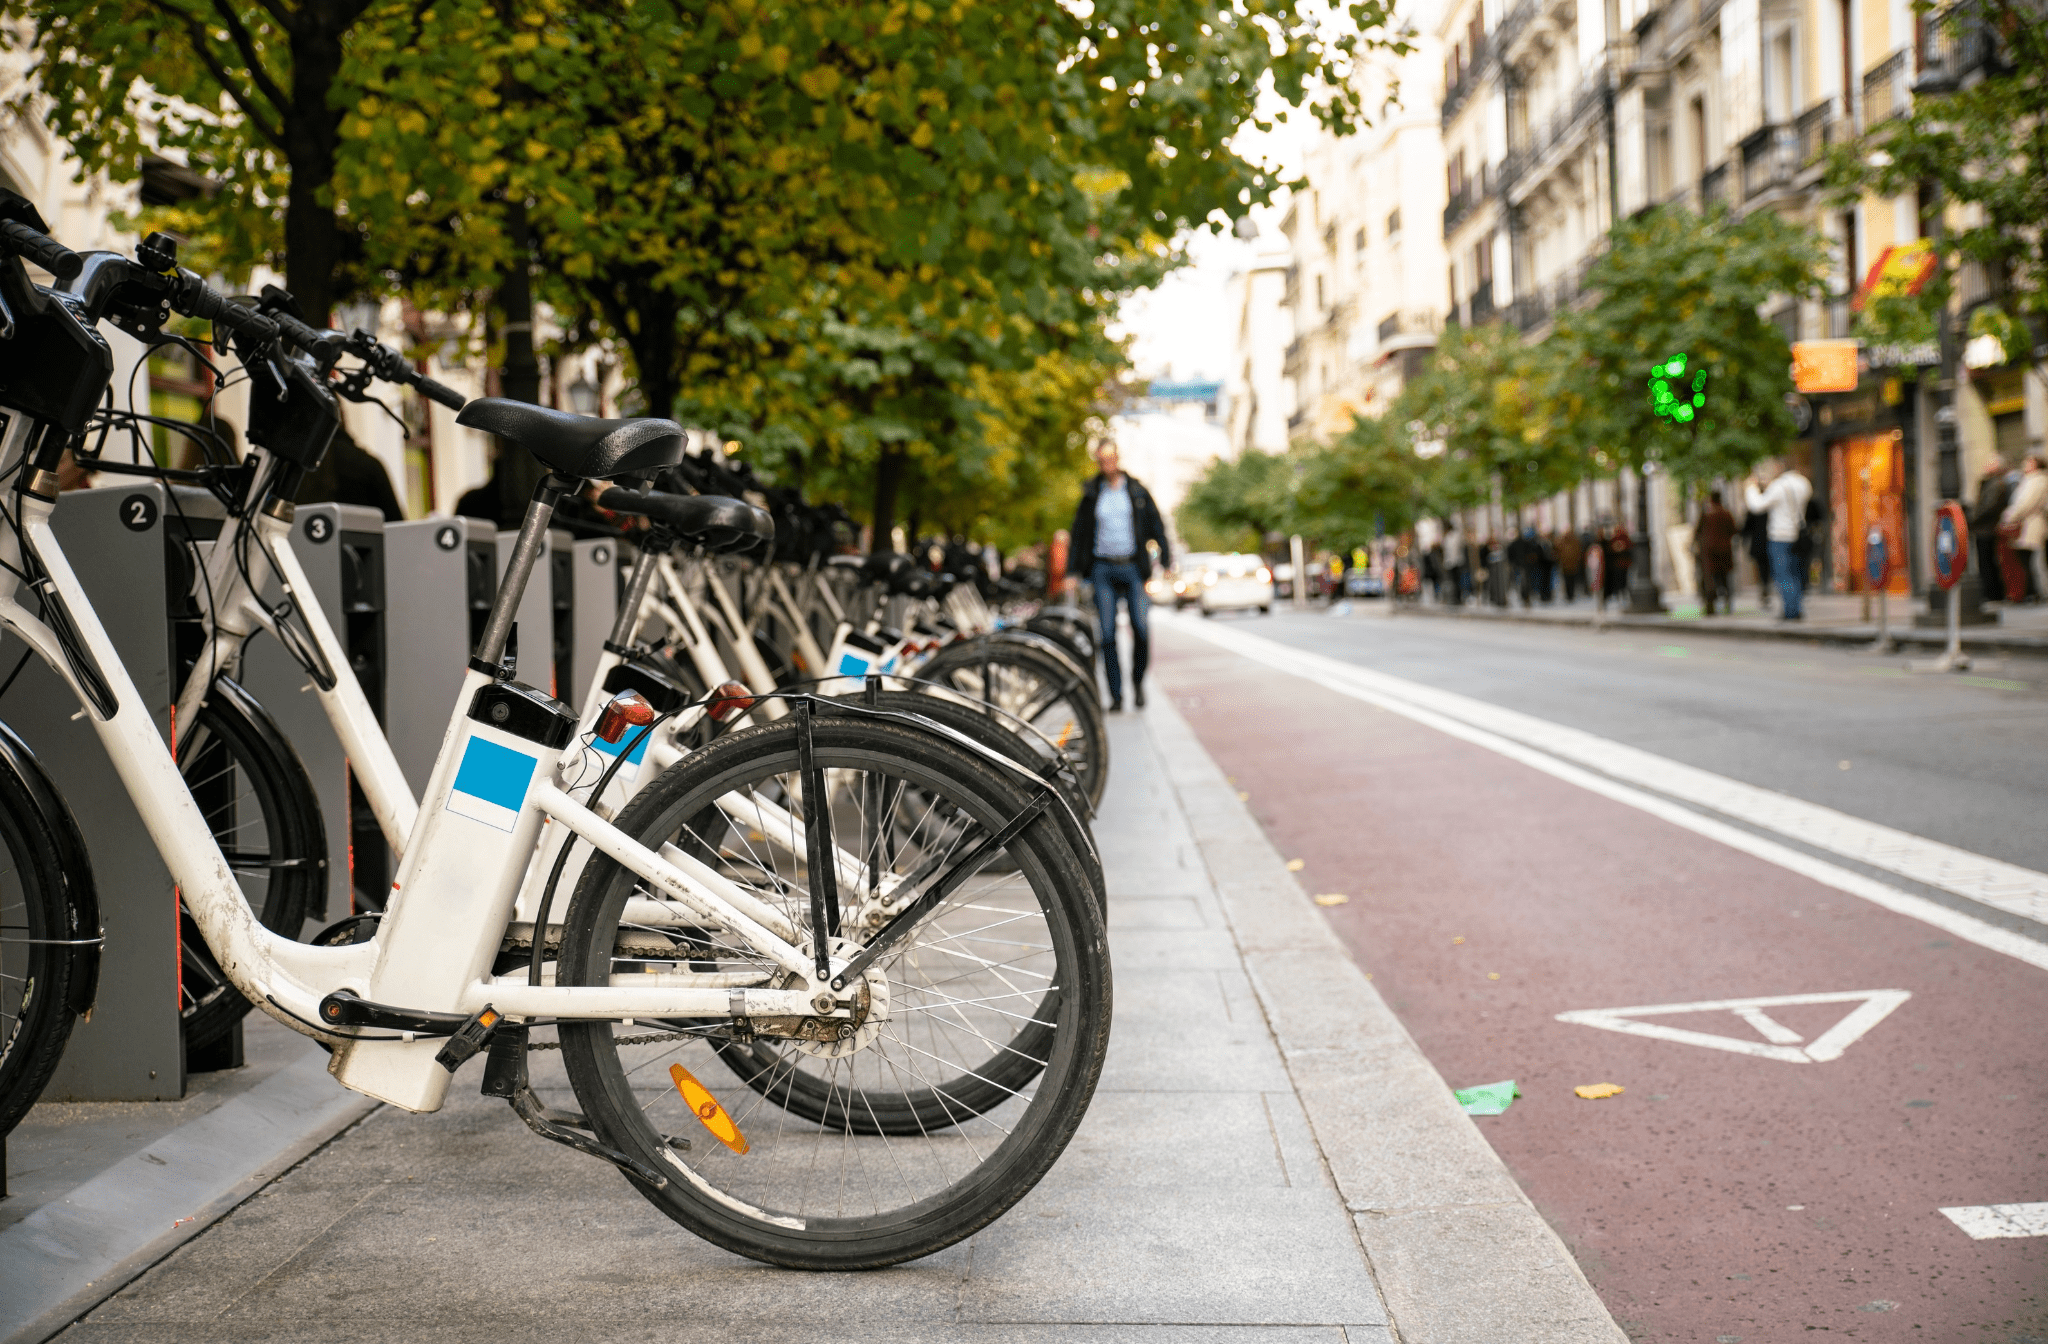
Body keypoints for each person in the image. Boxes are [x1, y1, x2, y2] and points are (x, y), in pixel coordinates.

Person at [1065, 443, 1170, 711]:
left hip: (1133, 567)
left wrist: (1166, 560)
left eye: (1110, 459)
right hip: (1102, 569)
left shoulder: (1136, 490)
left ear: (1118, 459)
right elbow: (1078, 534)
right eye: (1101, 460)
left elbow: (1156, 525)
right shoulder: (1091, 493)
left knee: (1141, 629)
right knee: (1108, 635)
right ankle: (1116, 695)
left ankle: (1137, 682)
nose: (1106, 464)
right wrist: (1072, 571)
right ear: (1098, 462)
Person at [1745, 458, 1814, 621]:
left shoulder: (1779, 486)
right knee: (1796, 573)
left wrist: (1751, 488)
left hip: (1780, 536)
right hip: (1798, 535)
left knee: (1783, 574)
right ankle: (1796, 607)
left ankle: (1791, 610)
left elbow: (1757, 505)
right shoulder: (1804, 484)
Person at [2000, 453, 2047, 604]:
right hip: (2024, 523)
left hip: (2030, 524)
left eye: (2029, 462)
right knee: (2024, 560)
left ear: (2036, 465)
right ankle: (2031, 592)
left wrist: (2009, 516)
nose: (2025, 464)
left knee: (2027, 560)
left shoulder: (2038, 480)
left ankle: (2033, 593)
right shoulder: (2029, 480)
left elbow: (2027, 503)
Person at [1972, 459, 2014, 604]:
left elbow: (1989, 507)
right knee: (1985, 562)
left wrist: (1974, 519)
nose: (1985, 466)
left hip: (1988, 528)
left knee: (1989, 562)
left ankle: (1993, 593)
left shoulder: (1997, 484)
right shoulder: (1988, 483)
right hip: (1984, 528)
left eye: (1989, 464)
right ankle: (1990, 592)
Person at [1696, 490, 1737, 615]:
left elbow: (1698, 531)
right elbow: (1733, 530)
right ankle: (1727, 600)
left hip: (1710, 551)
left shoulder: (1707, 515)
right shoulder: (1726, 513)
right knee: (1724, 577)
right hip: (1724, 550)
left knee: (1709, 578)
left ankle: (1710, 604)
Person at [1554, 527, 1583, 602]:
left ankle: (1569, 595)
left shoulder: (1564, 542)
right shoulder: (1575, 542)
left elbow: (1557, 551)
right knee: (1571, 581)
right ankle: (1570, 594)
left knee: (1568, 581)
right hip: (1571, 566)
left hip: (1566, 566)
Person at [1441, 524, 1468, 603]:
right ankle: (1455, 597)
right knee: (1455, 581)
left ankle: (1457, 597)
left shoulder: (1451, 537)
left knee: (1456, 581)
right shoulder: (1450, 537)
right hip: (1453, 562)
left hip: (1454, 563)